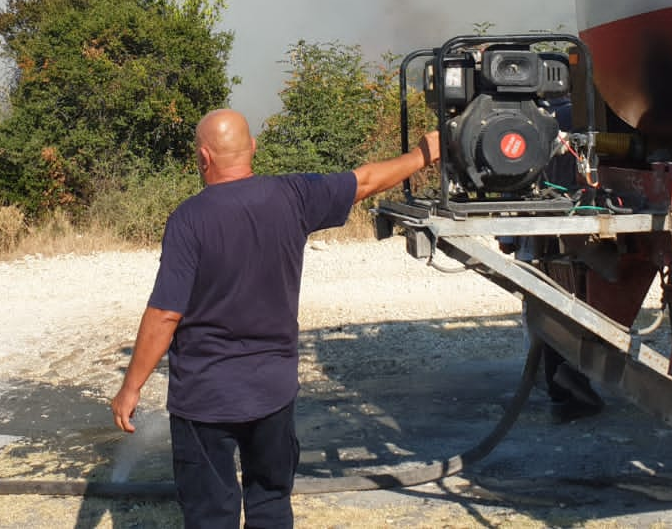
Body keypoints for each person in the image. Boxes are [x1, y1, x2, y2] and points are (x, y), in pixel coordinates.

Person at [111, 109, 441, 528]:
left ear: (203, 158)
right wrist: (424, 154)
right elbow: (367, 180)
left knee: (211, 514)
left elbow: (165, 313)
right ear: (252, 148)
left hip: (204, 399)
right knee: (270, 504)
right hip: (273, 393)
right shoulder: (293, 196)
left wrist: (131, 387)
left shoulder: (188, 220)